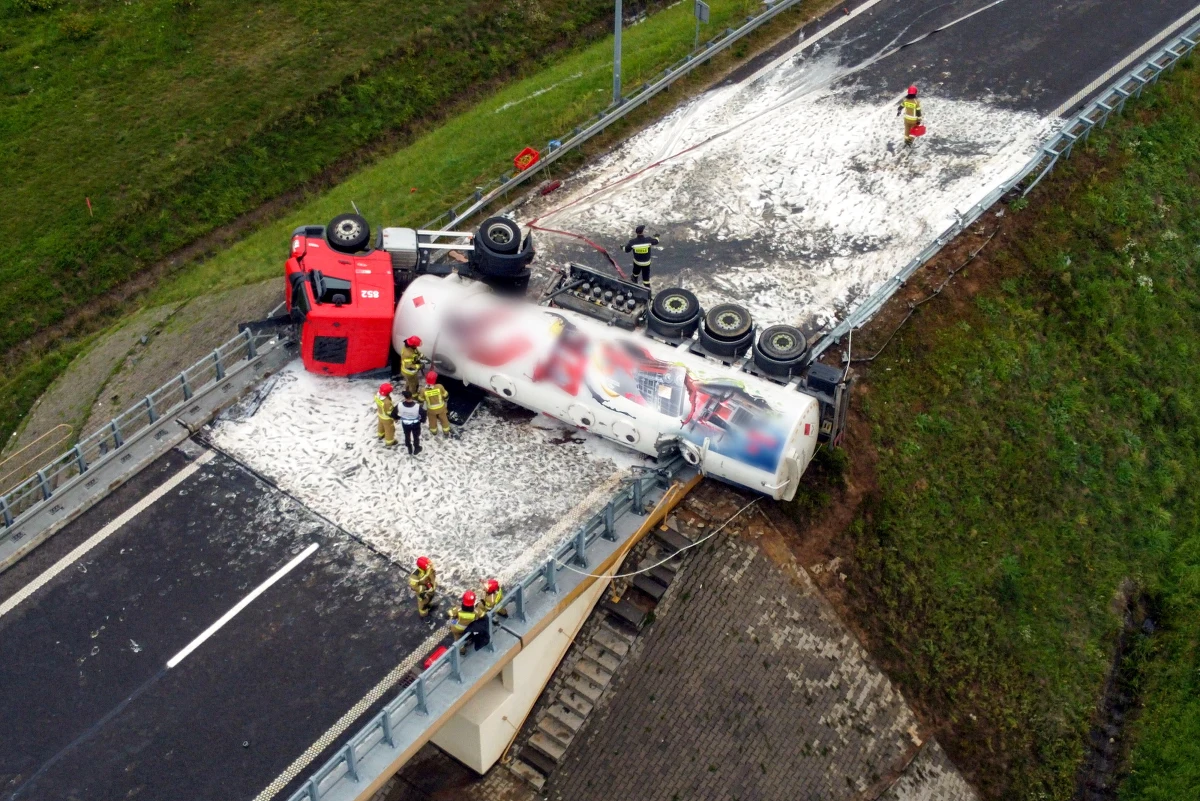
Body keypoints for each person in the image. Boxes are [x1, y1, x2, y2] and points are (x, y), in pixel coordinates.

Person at [420, 371, 452, 437]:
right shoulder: (439, 387)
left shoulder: (423, 390)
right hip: (441, 408)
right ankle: (446, 432)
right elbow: (446, 395)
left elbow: (421, 400)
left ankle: (434, 432)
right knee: (444, 420)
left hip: (431, 410)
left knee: (432, 421)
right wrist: (445, 400)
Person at [397, 391, 423, 455]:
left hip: (405, 424)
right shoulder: (417, 406)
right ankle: (416, 448)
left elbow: (394, 413)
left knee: (407, 435)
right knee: (416, 436)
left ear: (404, 397)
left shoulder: (399, 405)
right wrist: (421, 420)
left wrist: (396, 417)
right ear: (412, 397)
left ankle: (409, 447)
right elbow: (423, 414)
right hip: (415, 424)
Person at [374, 382, 397, 447]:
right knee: (389, 429)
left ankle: (380, 434)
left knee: (380, 425)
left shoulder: (377, 395)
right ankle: (389, 442)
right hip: (387, 419)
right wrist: (395, 417)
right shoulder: (387, 402)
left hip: (380, 415)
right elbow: (390, 412)